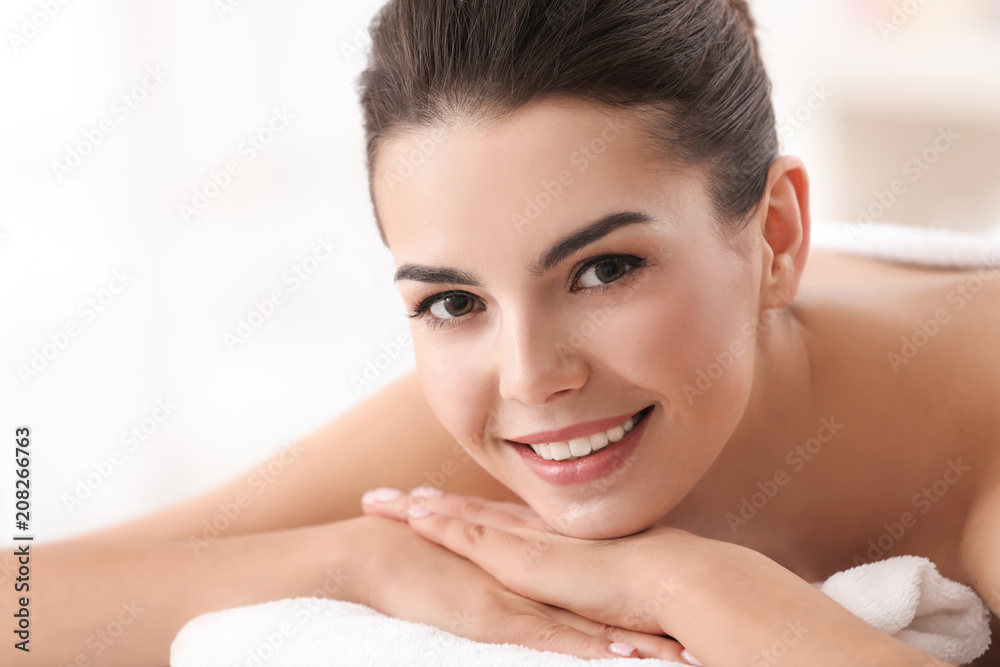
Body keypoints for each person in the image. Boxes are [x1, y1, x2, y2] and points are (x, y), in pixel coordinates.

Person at [8, 1, 998, 665]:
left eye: (604, 270)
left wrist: (688, 581)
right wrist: (356, 561)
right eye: (451, 301)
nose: (529, 376)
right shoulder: (496, 423)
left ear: (775, 235)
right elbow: (22, 604)